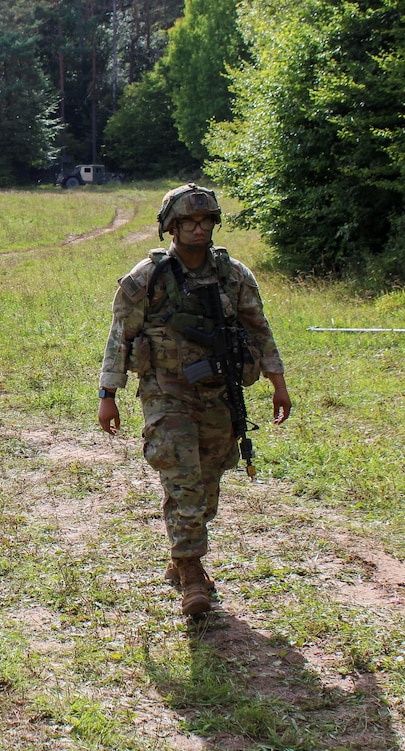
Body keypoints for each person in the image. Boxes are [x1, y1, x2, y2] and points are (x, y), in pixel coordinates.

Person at [97, 184, 292, 617]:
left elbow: (259, 329)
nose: (198, 229)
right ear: (172, 226)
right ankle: (191, 573)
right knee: (182, 476)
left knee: (207, 482)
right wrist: (108, 395)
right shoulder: (148, 278)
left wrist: (279, 384)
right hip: (166, 393)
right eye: (188, 222)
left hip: (219, 392)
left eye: (205, 222)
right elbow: (119, 337)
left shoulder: (233, 275)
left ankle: (180, 554)